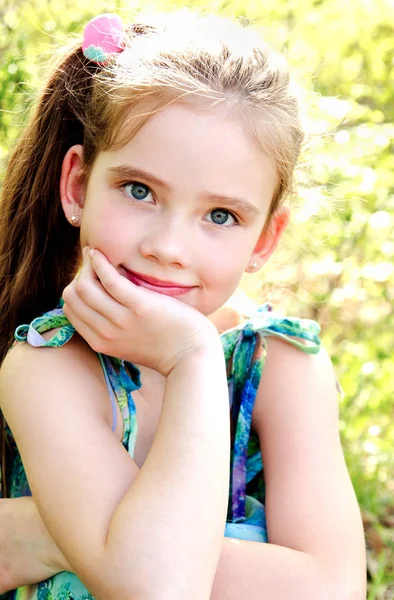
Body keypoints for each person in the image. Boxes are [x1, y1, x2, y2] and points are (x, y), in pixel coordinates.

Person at [0, 10, 366, 600]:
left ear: (265, 239)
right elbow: (156, 585)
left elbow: (331, 588)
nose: (168, 248)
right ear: (77, 186)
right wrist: (193, 360)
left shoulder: (281, 365)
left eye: (220, 216)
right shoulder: (47, 365)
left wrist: (46, 536)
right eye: (139, 190)